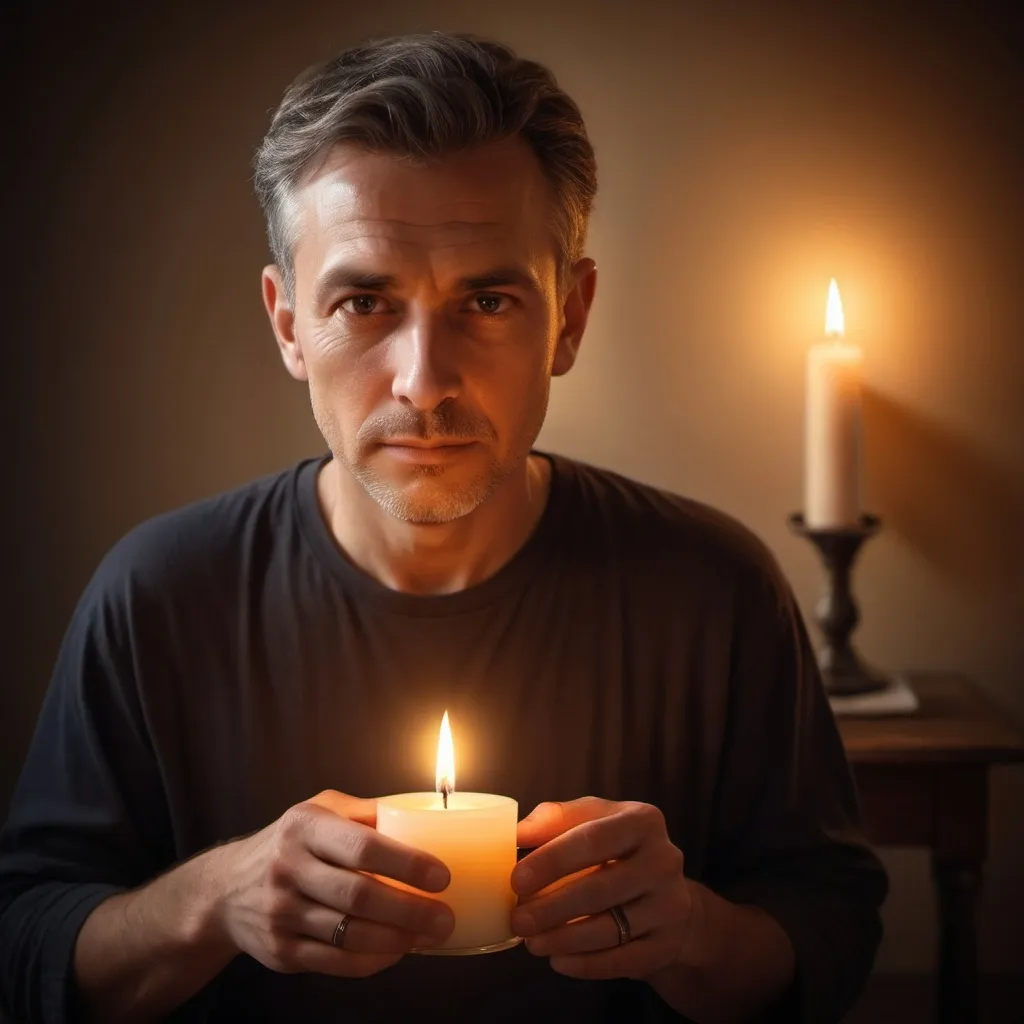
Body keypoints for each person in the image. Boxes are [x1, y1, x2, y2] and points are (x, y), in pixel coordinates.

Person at [0, 31, 887, 1024]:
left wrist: (688, 930)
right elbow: (26, 940)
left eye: (489, 299)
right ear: (289, 322)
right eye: (365, 301)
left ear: (570, 317)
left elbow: (832, 932)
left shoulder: (715, 588)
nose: (424, 381)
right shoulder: (157, 593)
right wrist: (215, 900)